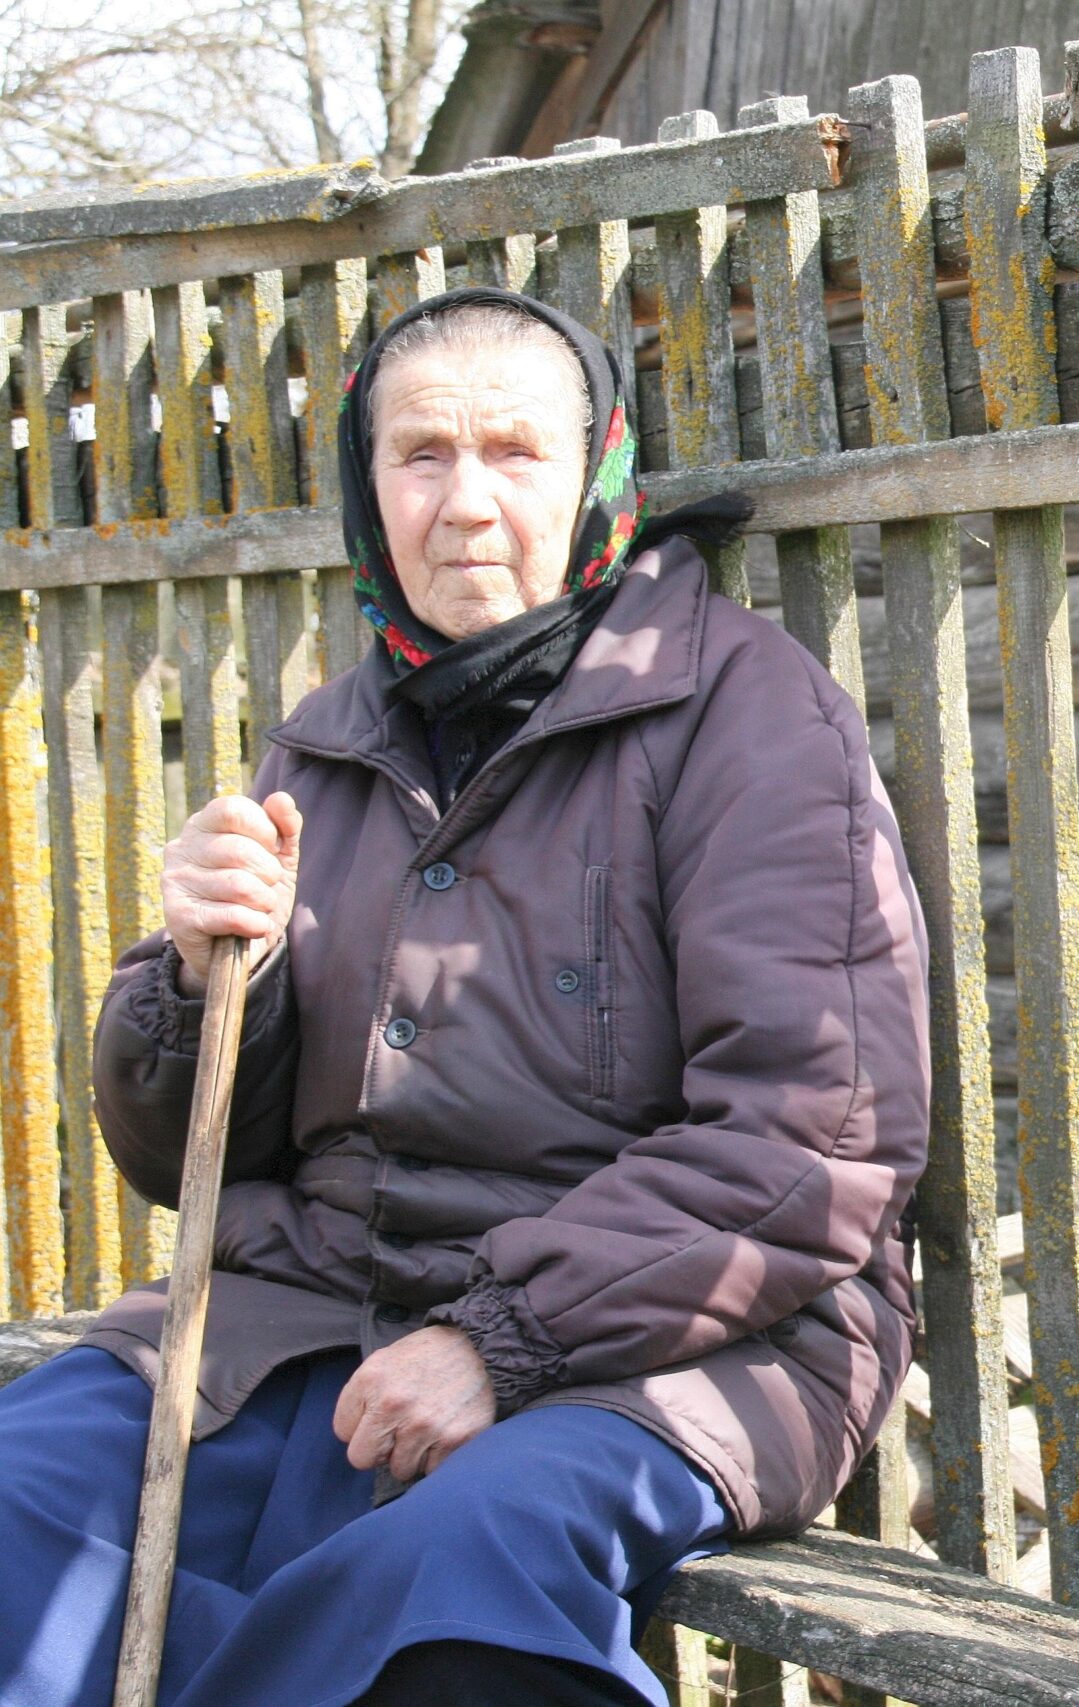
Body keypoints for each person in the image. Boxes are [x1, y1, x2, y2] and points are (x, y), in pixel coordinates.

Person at [0, 288, 931, 1707]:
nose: (467, 505)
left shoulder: (749, 719)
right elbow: (184, 1161)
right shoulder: (325, 748)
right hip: (309, 1311)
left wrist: (497, 1343)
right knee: (21, 1500)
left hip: (680, 1337)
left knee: (450, 1607)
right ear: (369, 493)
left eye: (517, 453)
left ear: (598, 478)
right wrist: (194, 981)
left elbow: (811, 1138)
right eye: (422, 456)